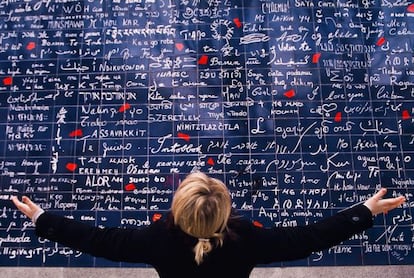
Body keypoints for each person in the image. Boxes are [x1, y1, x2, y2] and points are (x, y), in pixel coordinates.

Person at [12, 172, 406, 278]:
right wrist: (364, 211)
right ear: (225, 211)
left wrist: (43, 219)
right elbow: (308, 238)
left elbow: (98, 240)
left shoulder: (156, 239)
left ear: (177, 209)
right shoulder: (247, 240)